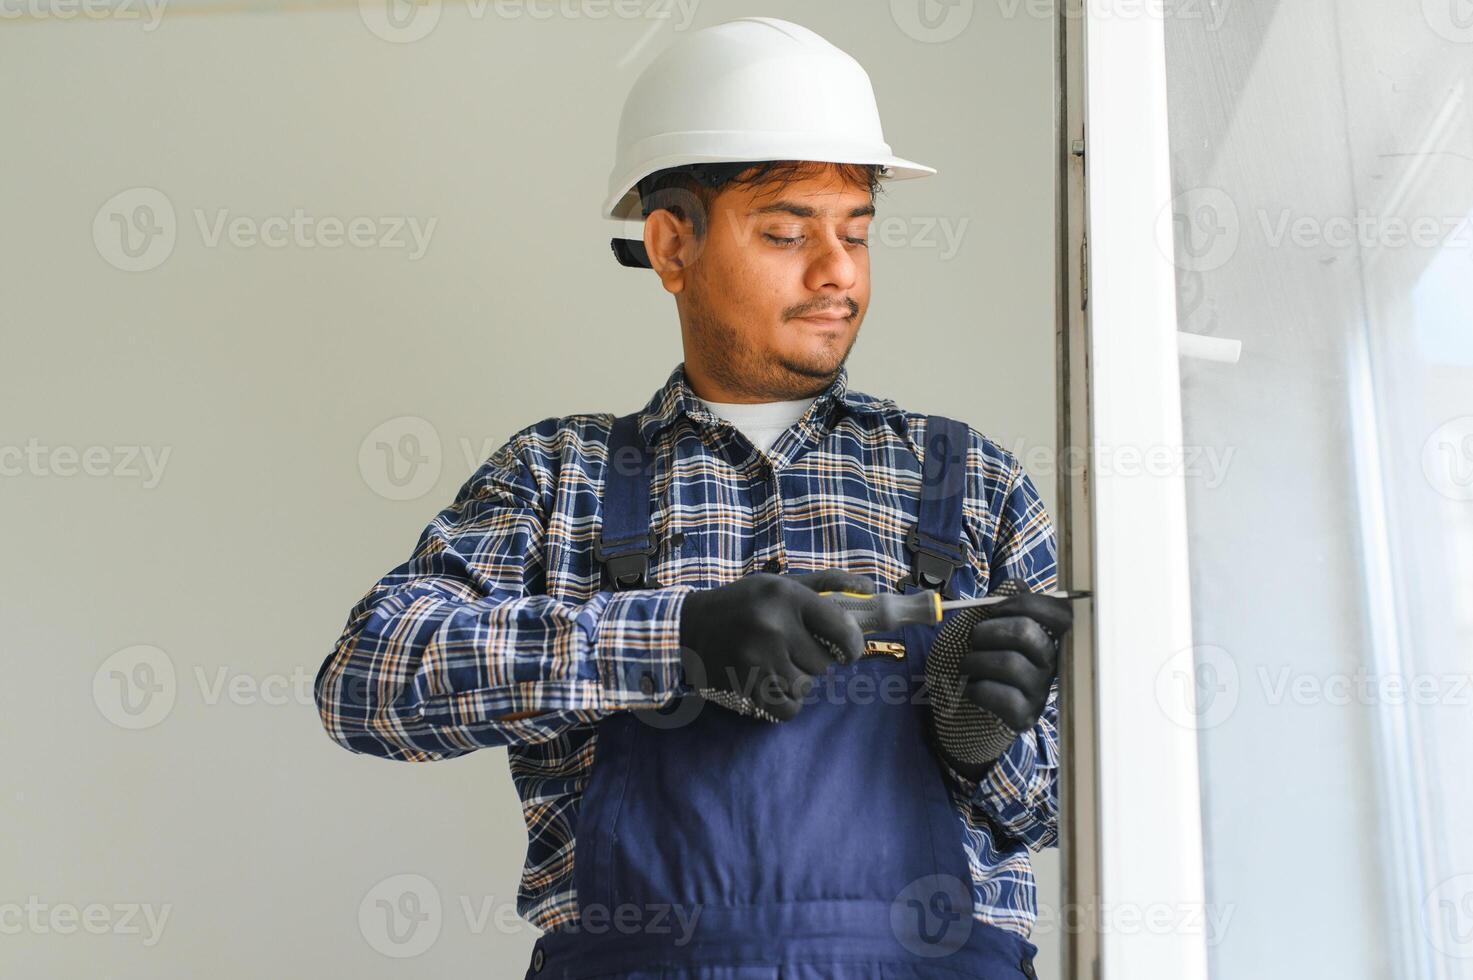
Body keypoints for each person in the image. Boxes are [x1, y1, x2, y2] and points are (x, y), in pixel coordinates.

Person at [315, 17, 1073, 979]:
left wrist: (985, 742)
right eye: (788, 232)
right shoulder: (561, 477)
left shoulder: (974, 483)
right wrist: (671, 641)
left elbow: (1069, 812)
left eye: (856, 233)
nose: (837, 270)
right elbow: (367, 685)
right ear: (673, 245)